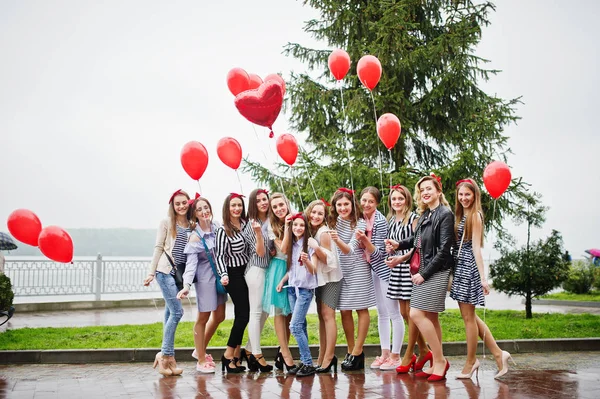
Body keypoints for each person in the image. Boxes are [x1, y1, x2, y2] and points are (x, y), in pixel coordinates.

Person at [391, 174, 454, 381]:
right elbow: (416, 240)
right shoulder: (426, 214)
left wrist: (423, 274)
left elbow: (445, 250)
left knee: (416, 314)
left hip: (435, 271)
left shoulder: (445, 214)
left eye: (429, 189)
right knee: (432, 317)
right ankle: (437, 362)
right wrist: (398, 244)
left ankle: (440, 360)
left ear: (438, 191)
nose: (425, 193)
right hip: (423, 270)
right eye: (422, 190)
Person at [451, 179, 513, 379]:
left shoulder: (475, 215)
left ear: (475, 195)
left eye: (467, 194)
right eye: (460, 195)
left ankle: (471, 361)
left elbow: (477, 248)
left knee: (469, 318)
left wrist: (483, 278)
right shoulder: (462, 214)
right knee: (470, 317)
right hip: (460, 266)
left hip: (469, 267)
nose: (463, 198)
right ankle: (498, 353)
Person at [176, 196, 227, 373]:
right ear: (194, 214)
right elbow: (190, 266)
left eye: (206, 207)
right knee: (203, 318)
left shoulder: (218, 227)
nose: (204, 211)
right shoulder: (195, 237)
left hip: (221, 278)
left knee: (220, 316)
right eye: (199, 209)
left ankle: (199, 349)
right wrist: (187, 285)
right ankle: (200, 359)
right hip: (205, 280)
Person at [143, 189, 191, 376]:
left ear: (189, 203)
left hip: (179, 275)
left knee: (170, 312)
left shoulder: (191, 224)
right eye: (177, 203)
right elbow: (158, 247)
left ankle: (164, 356)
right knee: (178, 312)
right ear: (173, 206)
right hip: (164, 271)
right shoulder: (166, 223)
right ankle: (167, 356)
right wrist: (151, 272)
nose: (181, 206)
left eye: (183, 202)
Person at [384, 185, 430, 373]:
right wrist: (390, 249)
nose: (397, 202)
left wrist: (401, 257)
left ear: (407, 200)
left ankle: (409, 353)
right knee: (404, 313)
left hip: (409, 267)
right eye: (394, 199)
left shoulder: (413, 219)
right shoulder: (391, 220)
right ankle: (425, 350)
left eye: (400, 199)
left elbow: (417, 245)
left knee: (412, 313)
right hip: (397, 269)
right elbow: (395, 243)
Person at [328, 188, 376, 371]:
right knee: (344, 310)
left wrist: (337, 239)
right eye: (339, 205)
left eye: (346, 204)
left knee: (361, 309)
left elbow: (349, 249)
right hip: (341, 271)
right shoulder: (332, 222)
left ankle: (358, 351)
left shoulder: (360, 223)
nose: (342, 208)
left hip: (358, 269)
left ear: (352, 204)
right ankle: (350, 350)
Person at [358, 186, 404, 371]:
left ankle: (396, 355)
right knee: (382, 314)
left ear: (376, 203)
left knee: (394, 313)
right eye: (364, 200)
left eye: (371, 201)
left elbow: (377, 253)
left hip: (385, 270)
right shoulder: (361, 220)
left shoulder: (380, 222)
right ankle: (385, 353)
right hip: (372, 271)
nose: (366, 204)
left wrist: (365, 242)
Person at [278, 212, 319, 377]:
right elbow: (292, 269)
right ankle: (305, 361)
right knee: (300, 325)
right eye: (295, 225)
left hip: (305, 291)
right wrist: (282, 281)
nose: (298, 228)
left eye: (301, 225)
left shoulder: (309, 244)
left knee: (294, 326)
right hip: (292, 288)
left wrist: (307, 259)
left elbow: (313, 270)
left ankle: (308, 363)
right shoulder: (292, 245)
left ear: (306, 227)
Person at [215, 193, 251, 373]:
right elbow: (219, 256)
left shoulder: (246, 225)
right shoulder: (223, 230)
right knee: (244, 315)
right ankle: (228, 355)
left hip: (247, 271)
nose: (236, 208)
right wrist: (223, 274)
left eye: (239, 205)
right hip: (232, 274)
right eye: (233, 205)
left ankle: (236, 357)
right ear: (227, 208)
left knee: (242, 315)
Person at [305, 199, 342, 374]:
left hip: (331, 278)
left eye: (320, 213)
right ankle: (322, 355)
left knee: (328, 316)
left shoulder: (324, 233)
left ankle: (329, 357)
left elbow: (329, 260)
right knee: (321, 316)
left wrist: (316, 248)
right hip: (320, 279)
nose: (316, 216)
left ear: (324, 216)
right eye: (314, 212)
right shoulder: (311, 231)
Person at [262, 193, 298, 374]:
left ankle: (282, 351)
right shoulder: (271, 226)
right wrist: (287, 226)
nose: (278, 209)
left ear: (287, 203)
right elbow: (283, 248)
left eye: (281, 205)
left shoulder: (296, 218)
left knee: (290, 313)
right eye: (274, 207)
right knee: (279, 311)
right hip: (279, 267)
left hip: (294, 268)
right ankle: (286, 354)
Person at [241, 188, 273, 372]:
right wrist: (259, 234)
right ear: (254, 204)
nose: (263, 202)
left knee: (266, 311)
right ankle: (257, 354)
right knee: (256, 312)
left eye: (265, 199)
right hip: (256, 270)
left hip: (268, 270)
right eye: (259, 200)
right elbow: (260, 252)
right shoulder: (252, 224)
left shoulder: (269, 221)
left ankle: (249, 349)